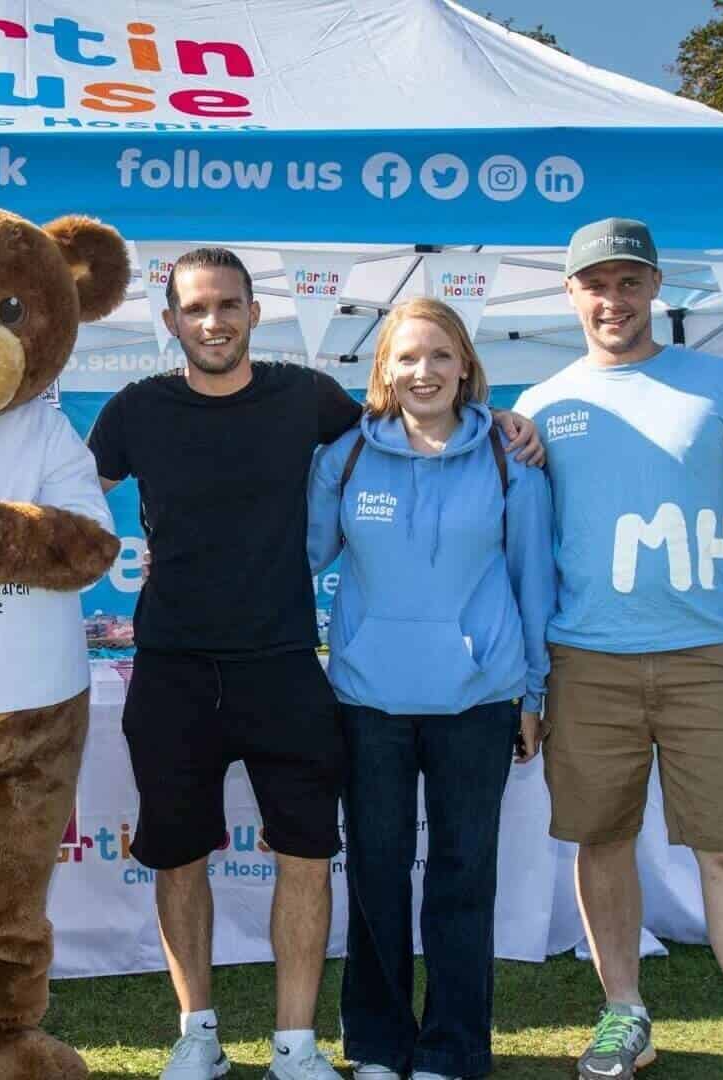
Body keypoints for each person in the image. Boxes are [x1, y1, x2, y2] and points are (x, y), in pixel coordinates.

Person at [85, 249, 542, 1080]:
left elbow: (413, 412)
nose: (212, 322)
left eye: (228, 305)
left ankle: (296, 1043)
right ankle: (199, 1035)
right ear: (171, 323)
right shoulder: (133, 409)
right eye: (194, 309)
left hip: (287, 666)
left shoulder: (308, 397)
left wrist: (500, 417)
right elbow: (75, 497)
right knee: (179, 859)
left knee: (306, 856)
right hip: (173, 669)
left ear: (255, 313)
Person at [515, 219, 723, 1080]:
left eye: (629, 282)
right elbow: (517, 545)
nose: (613, 300)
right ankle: (625, 1015)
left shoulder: (720, 381)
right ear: (570, 294)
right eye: (596, 284)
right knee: (600, 842)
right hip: (586, 663)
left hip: (707, 657)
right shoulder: (540, 406)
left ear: (656, 289)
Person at [305, 298, 553, 1080]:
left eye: (441, 356)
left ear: (466, 368)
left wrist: (535, 694)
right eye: (407, 358)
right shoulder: (342, 458)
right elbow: (296, 561)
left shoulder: (514, 462)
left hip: (479, 701)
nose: (424, 372)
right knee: (376, 871)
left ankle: (453, 1048)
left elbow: (533, 584)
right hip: (367, 700)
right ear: (383, 370)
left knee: (462, 876)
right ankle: (377, 1043)